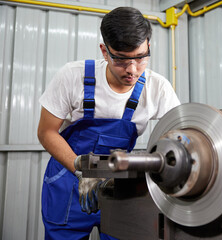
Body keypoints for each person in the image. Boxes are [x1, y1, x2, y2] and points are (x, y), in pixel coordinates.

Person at [37, 6, 180, 240]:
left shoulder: (158, 89)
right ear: (105, 51)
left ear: (148, 47)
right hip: (68, 183)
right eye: (122, 60)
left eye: (141, 57)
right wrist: (82, 171)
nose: (132, 70)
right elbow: (46, 132)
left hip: (118, 188)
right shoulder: (73, 77)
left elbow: (181, 136)